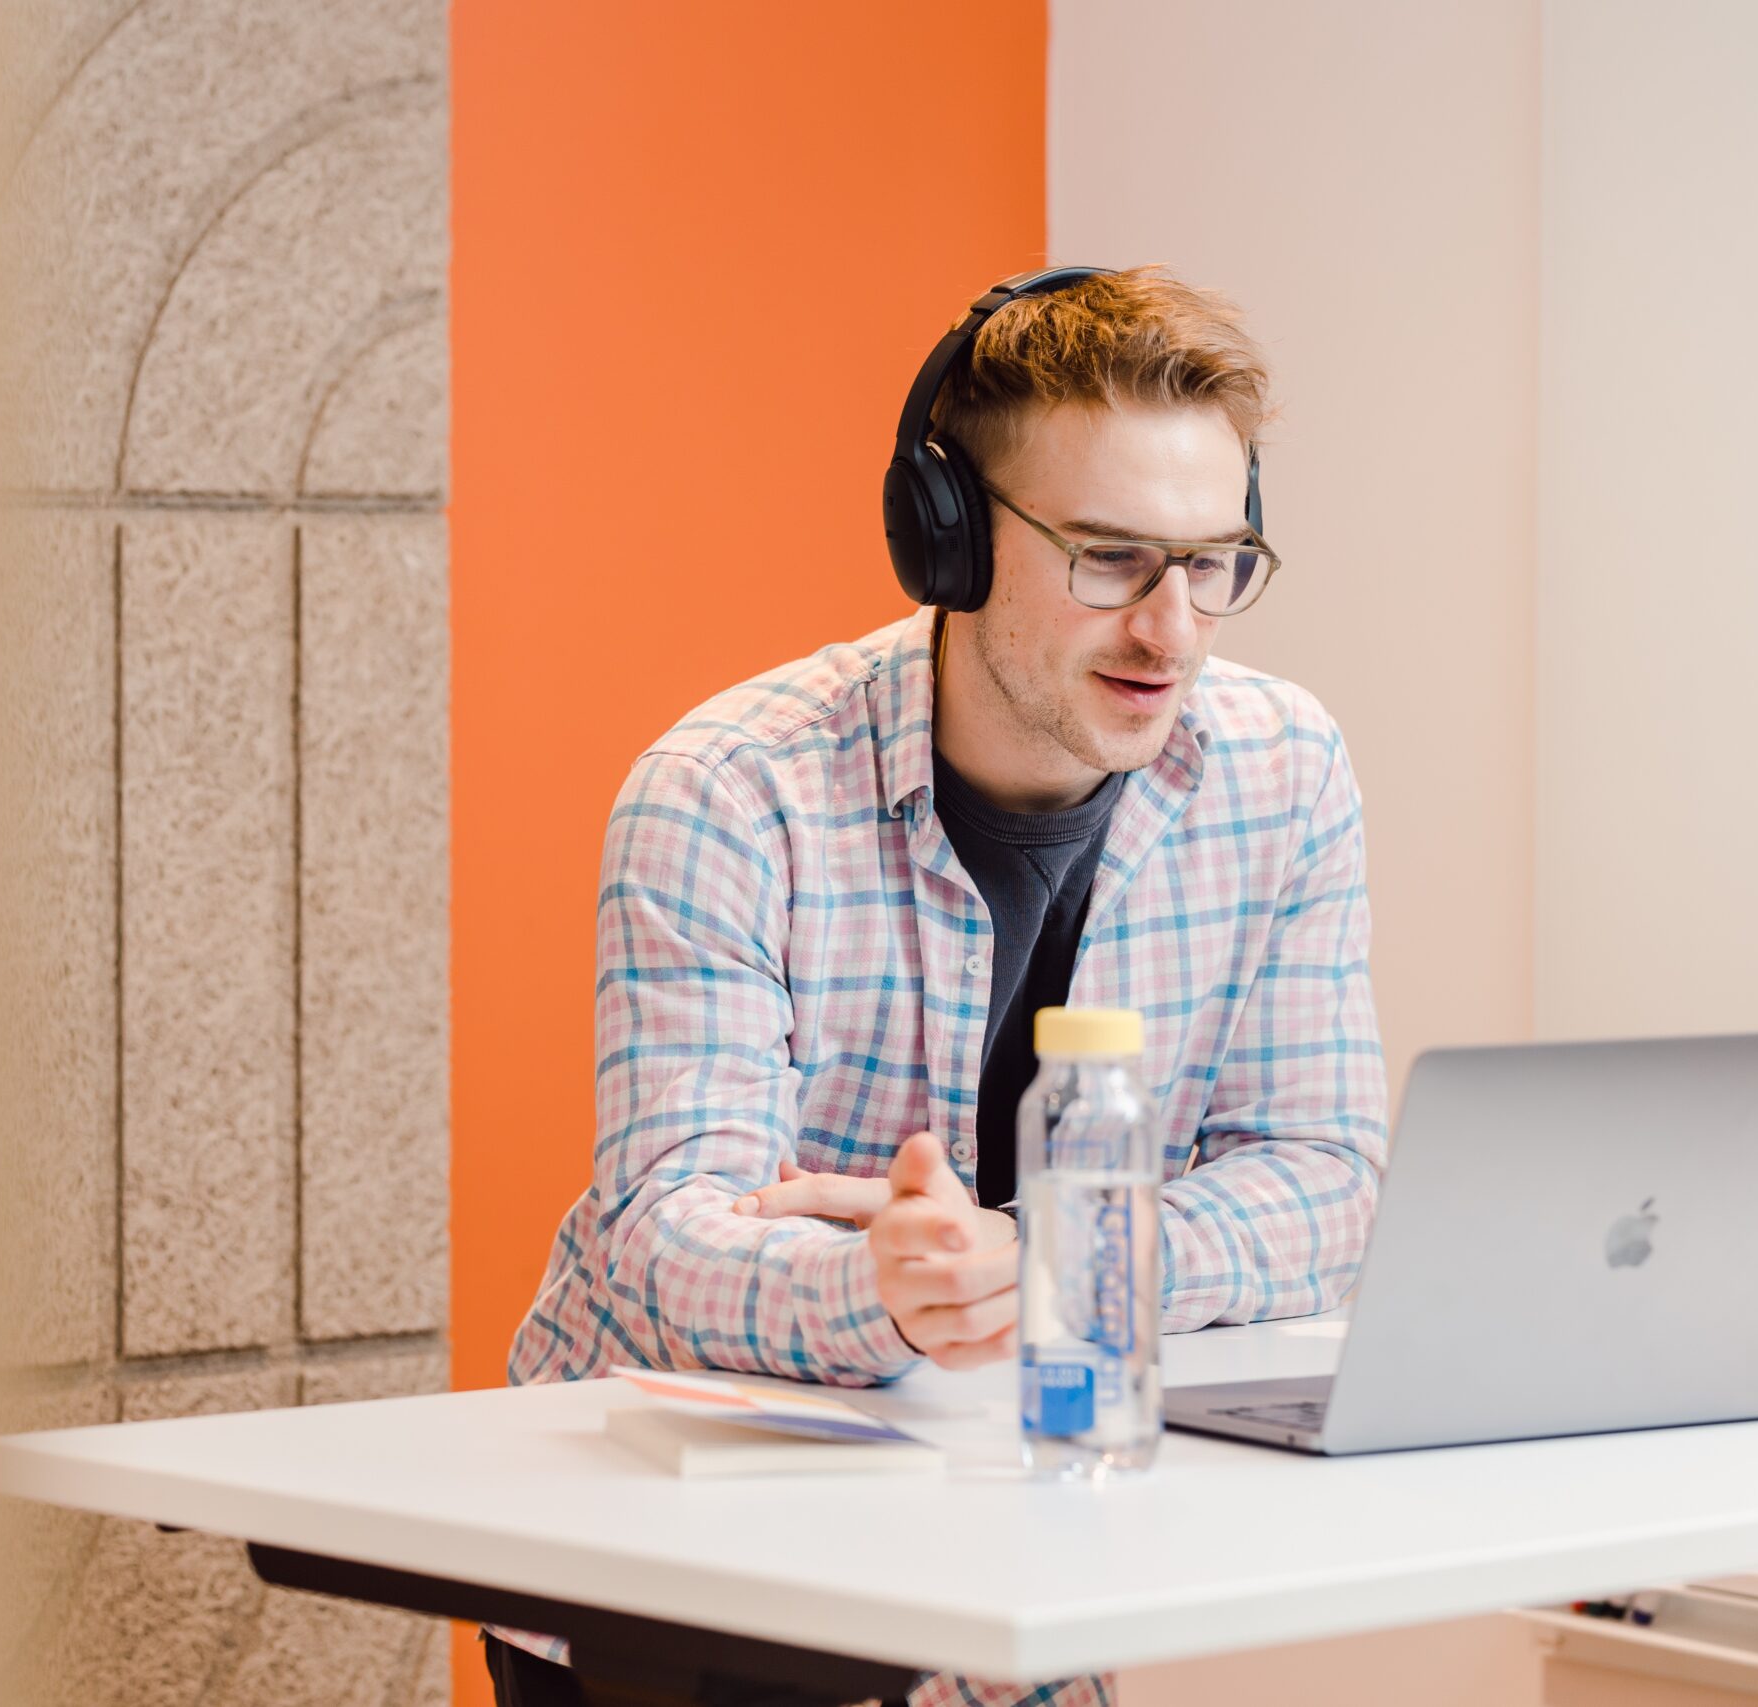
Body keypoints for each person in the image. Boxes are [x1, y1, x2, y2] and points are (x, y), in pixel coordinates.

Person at [488, 266, 1389, 1707]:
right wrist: (886, 1288)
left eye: (1214, 562)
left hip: (1024, 1526)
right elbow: (665, 1237)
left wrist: (1034, 1262)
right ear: (948, 537)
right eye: (1110, 559)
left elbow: (1332, 1180)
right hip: (684, 1564)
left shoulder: (1284, 770)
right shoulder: (729, 794)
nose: (1175, 632)